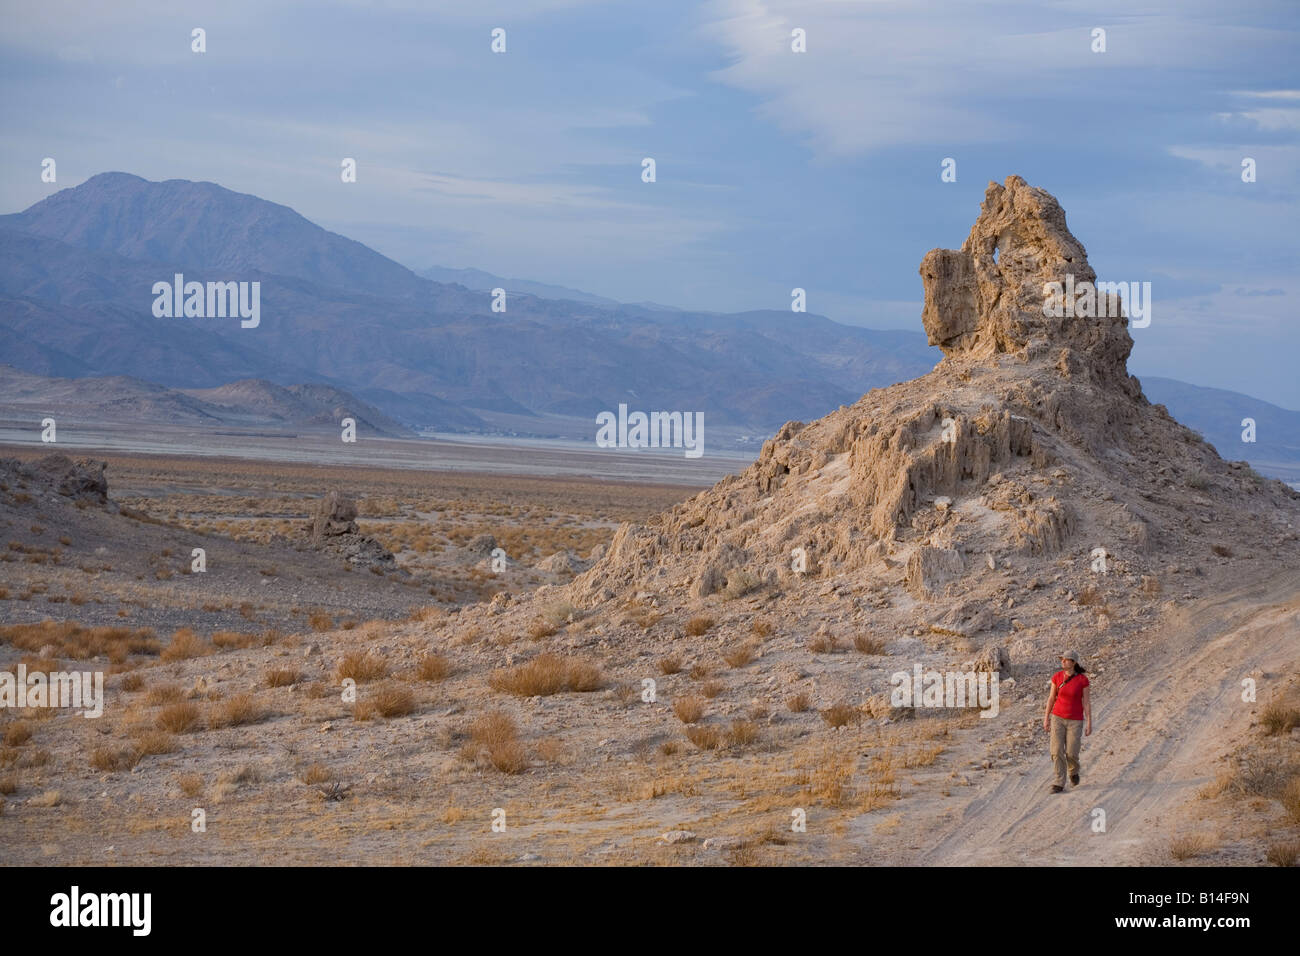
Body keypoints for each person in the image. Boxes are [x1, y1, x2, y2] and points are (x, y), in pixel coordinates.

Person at [1042, 650, 1091, 793]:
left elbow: (1086, 703)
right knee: (1056, 751)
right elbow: (1051, 698)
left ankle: (1073, 771)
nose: (1063, 661)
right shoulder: (1057, 677)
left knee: (1071, 753)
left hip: (1075, 721)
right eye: (1062, 659)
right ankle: (1059, 781)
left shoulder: (1083, 680)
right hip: (1057, 718)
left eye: (1066, 659)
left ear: (1074, 662)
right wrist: (1046, 718)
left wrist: (1089, 723)